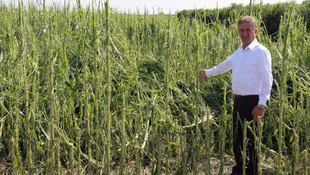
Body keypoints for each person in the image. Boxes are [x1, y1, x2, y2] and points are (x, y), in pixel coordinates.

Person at [199, 16, 273, 175]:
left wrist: (261, 104)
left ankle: (253, 170)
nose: (245, 33)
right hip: (239, 101)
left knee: (252, 139)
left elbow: (267, 78)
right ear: (238, 32)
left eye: (248, 30)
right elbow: (226, 65)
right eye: (242, 30)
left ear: (255, 31)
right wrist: (208, 73)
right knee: (238, 137)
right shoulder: (240, 51)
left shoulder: (260, 52)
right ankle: (239, 168)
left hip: (253, 102)